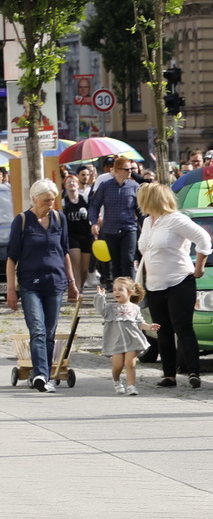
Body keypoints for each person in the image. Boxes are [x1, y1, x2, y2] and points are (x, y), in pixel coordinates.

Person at [134, 182, 212, 389]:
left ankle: (193, 371)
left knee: (183, 328)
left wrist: (199, 267)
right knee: (163, 331)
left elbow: (203, 239)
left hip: (179, 281)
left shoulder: (176, 220)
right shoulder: (148, 222)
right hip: (154, 284)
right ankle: (169, 375)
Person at [6, 179, 80, 391]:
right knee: (37, 329)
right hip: (30, 283)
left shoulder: (59, 218)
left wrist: (71, 282)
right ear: (34, 199)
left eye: (53, 200)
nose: (51, 204)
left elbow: (64, 252)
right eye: (46, 200)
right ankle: (40, 374)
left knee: (49, 332)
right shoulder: (22, 221)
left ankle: (44, 375)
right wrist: (11, 289)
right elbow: (12, 258)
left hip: (55, 282)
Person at [101, 275, 159, 394]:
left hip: (132, 341)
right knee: (118, 366)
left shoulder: (135, 308)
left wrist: (149, 327)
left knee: (130, 364)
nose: (116, 292)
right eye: (114, 290)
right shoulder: (110, 308)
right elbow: (100, 308)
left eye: (120, 289)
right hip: (116, 342)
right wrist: (100, 297)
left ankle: (131, 386)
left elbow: (140, 323)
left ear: (130, 292)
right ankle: (116, 381)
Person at [89, 155, 141, 282]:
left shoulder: (134, 186)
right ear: (117, 170)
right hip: (110, 230)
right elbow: (94, 205)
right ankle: (118, 289)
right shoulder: (105, 186)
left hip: (129, 228)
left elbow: (140, 209)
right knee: (115, 262)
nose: (130, 172)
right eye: (127, 169)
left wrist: (145, 224)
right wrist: (94, 222)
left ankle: (130, 288)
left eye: (131, 169)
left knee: (128, 260)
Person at [60, 172, 95, 293]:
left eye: (73, 182)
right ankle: (77, 291)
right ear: (65, 186)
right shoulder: (63, 203)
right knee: (76, 264)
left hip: (86, 235)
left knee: (84, 268)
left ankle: (81, 286)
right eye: (68, 182)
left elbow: (93, 214)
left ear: (78, 184)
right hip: (71, 236)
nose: (71, 184)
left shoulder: (84, 199)